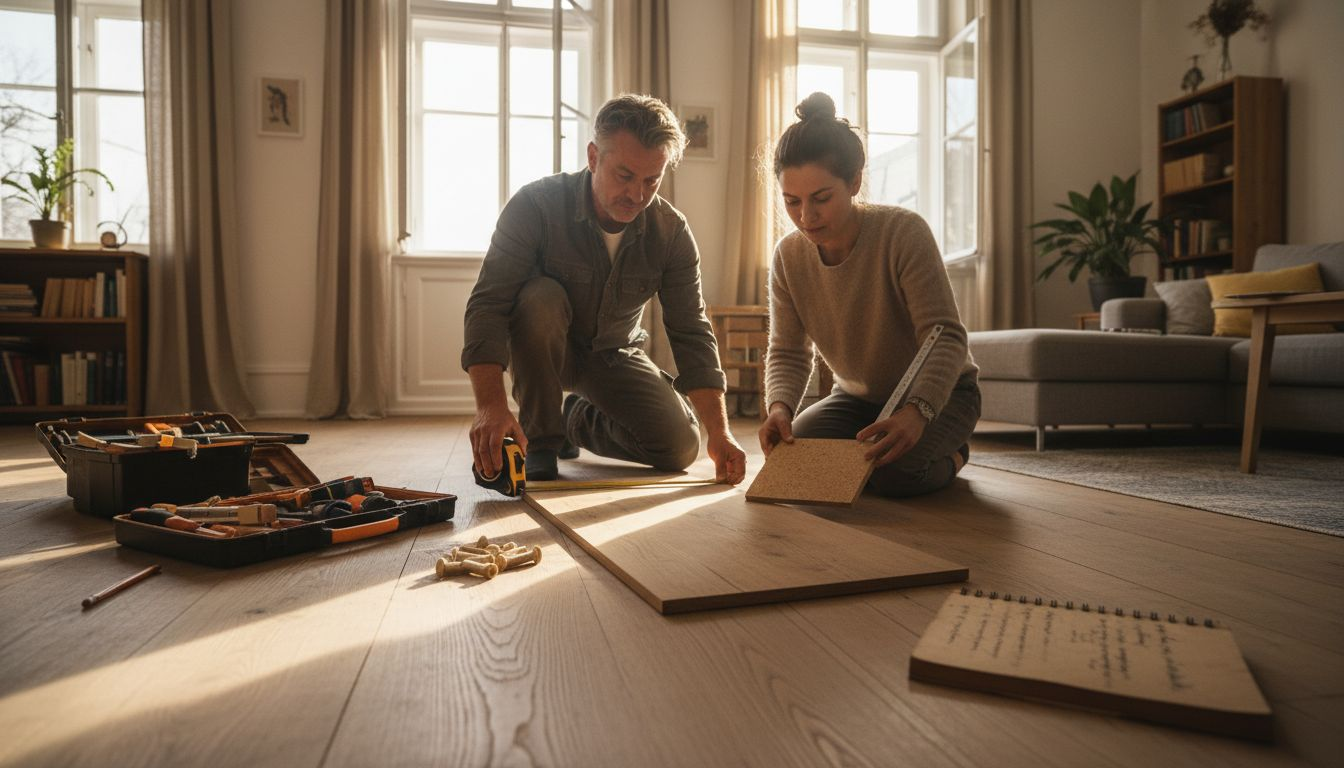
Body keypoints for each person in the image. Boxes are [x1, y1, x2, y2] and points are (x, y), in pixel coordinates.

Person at [462, 94, 747, 484]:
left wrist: (721, 432)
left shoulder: (671, 232)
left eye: (652, 180)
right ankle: (543, 440)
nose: (637, 195)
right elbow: (488, 305)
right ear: (594, 157)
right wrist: (490, 407)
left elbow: (691, 331)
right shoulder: (535, 205)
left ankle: (574, 420)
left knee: (681, 447)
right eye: (625, 176)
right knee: (540, 298)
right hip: (543, 350)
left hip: (613, 353)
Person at [759, 92, 980, 497]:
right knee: (799, 460)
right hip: (859, 400)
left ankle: (955, 454)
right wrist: (780, 409)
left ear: (855, 181)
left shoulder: (902, 233)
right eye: (792, 202)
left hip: (941, 396)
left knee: (892, 475)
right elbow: (788, 351)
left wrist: (917, 413)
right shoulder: (788, 256)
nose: (806, 217)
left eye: (821, 199)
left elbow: (946, 336)